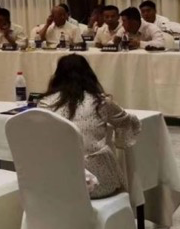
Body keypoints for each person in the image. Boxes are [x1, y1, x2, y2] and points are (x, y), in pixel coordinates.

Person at [38, 55, 140, 199]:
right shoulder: (100, 102)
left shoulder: (45, 104)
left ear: (57, 76)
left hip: (58, 183)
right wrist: (118, 140)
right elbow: (126, 121)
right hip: (100, 184)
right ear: (89, 75)